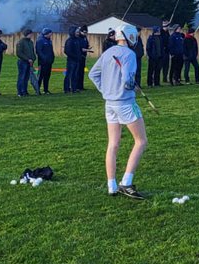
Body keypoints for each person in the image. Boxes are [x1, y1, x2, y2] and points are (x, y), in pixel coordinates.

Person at [88, 25, 147, 200]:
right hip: (125, 103)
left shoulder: (107, 53)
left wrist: (106, 90)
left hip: (110, 104)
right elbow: (128, 80)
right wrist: (130, 86)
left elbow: (93, 74)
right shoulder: (129, 55)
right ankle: (126, 182)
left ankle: (111, 185)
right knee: (141, 141)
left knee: (113, 143)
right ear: (130, 37)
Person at [15, 28, 38, 96]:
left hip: (30, 62)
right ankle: (20, 92)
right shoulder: (21, 42)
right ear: (27, 34)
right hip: (23, 62)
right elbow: (19, 53)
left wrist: (33, 58)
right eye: (30, 34)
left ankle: (25, 91)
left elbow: (32, 51)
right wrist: (27, 59)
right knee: (21, 77)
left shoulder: (30, 42)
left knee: (26, 77)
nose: (31, 35)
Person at [63, 26, 85, 94]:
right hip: (71, 61)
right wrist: (75, 57)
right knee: (69, 75)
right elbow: (67, 51)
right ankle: (67, 89)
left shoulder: (77, 40)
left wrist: (80, 55)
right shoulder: (69, 41)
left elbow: (78, 50)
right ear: (73, 32)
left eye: (78, 32)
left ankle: (74, 88)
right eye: (77, 32)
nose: (78, 33)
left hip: (77, 60)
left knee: (75, 75)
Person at [36, 28, 55, 94]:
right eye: (50, 33)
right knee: (40, 76)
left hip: (49, 62)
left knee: (47, 76)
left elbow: (51, 51)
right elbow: (39, 51)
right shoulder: (40, 41)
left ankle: (46, 89)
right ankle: (37, 90)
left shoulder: (49, 41)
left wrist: (52, 58)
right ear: (46, 33)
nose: (51, 34)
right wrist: (44, 58)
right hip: (42, 62)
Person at [76, 26, 91, 91]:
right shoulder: (78, 38)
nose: (86, 33)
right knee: (78, 72)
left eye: (86, 32)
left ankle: (81, 86)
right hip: (79, 56)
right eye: (84, 32)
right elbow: (78, 47)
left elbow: (86, 44)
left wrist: (88, 48)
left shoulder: (85, 38)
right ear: (81, 31)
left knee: (82, 71)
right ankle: (77, 86)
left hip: (83, 56)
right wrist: (83, 49)